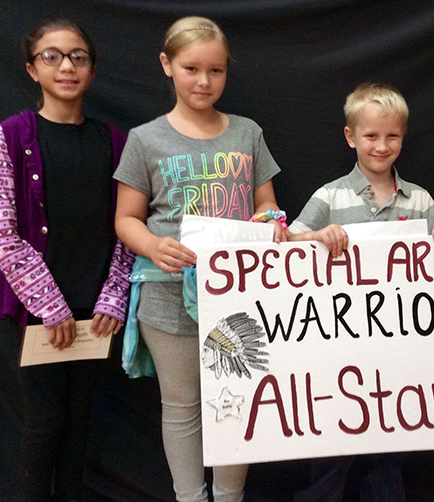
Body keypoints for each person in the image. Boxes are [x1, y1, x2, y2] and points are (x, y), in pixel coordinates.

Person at [113, 16, 284, 502]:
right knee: (182, 407)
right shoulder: (145, 139)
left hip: (239, 292)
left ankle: (230, 498)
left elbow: (266, 203)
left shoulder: (247, 132)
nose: (204, 81)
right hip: (168, 294)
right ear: (167, 65)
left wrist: (269, 222)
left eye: (216, 70)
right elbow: (126, 218)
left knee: (235, 400)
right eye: (191, 68)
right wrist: (150, 244)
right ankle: (190, 498)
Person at [287, 82, 434, 502]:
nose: (382, 146)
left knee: (393, 444)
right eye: (371, 135)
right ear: (351, 137)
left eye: (392, 136)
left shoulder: (419, 200)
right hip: (337, 344)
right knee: (332, 441)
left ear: (403, 137)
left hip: (398, 346)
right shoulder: (329, 195)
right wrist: (314, 237)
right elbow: (287, 243)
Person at [0, 19, 134, 501]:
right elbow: (0, 228)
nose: (66, 65)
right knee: (46, 421)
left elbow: (130, 225)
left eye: (78, 56)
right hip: (39, 311)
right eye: (52, 56)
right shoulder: (11, 135)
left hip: (97, 310)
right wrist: (51, 306)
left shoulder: (115, 142)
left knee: (79, 420)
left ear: (91, 70)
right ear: (32, 69)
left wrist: (113, 296)